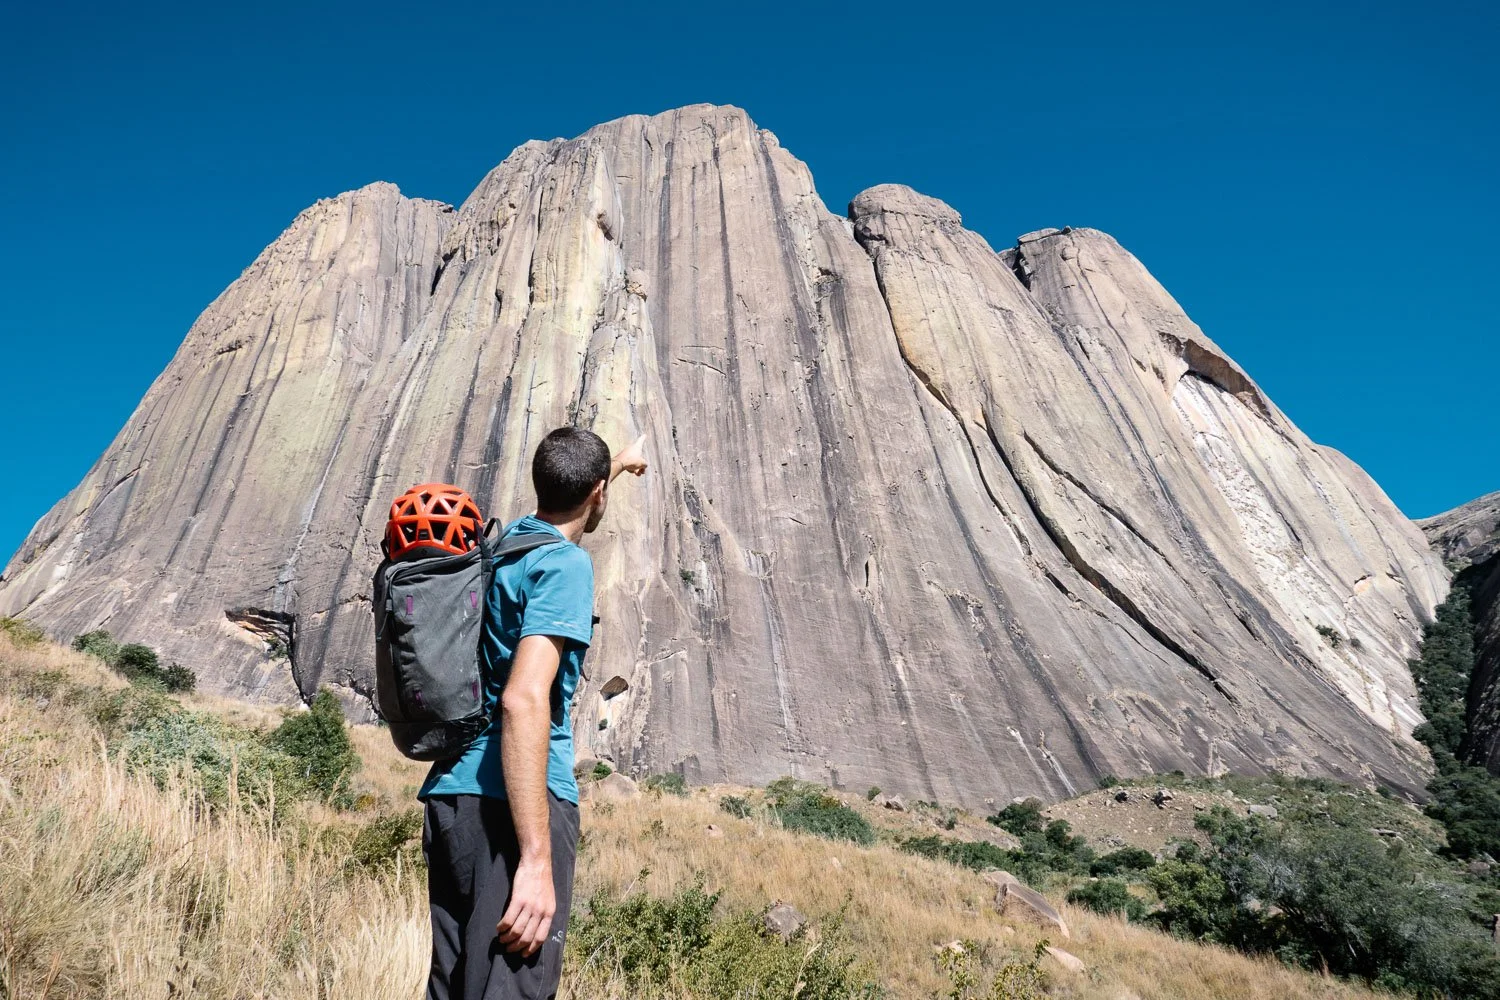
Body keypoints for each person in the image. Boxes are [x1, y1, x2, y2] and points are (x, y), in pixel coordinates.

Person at [420, 426, 647, 1000]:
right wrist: (537, 860)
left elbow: (566, 498)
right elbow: (524, 699)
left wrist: (617, 463)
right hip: (517, 805)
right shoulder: (566, 566)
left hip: (454, 797)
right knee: (510, 989)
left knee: (455, 985)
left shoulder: (508, 546)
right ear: (597, 493)